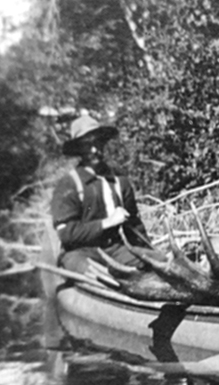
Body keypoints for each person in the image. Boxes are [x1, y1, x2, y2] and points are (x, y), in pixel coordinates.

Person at [51, 114, 150, 276]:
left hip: (115, 250)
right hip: (80, 253)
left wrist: (149, 254)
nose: (94, 150)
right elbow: (66, 233)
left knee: (156, 263)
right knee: (98, 277)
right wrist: (106, 223)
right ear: (79, 150)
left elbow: (134, 225)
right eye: (86, 145)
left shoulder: (119, 181)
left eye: (97, 142)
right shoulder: (69, 184)